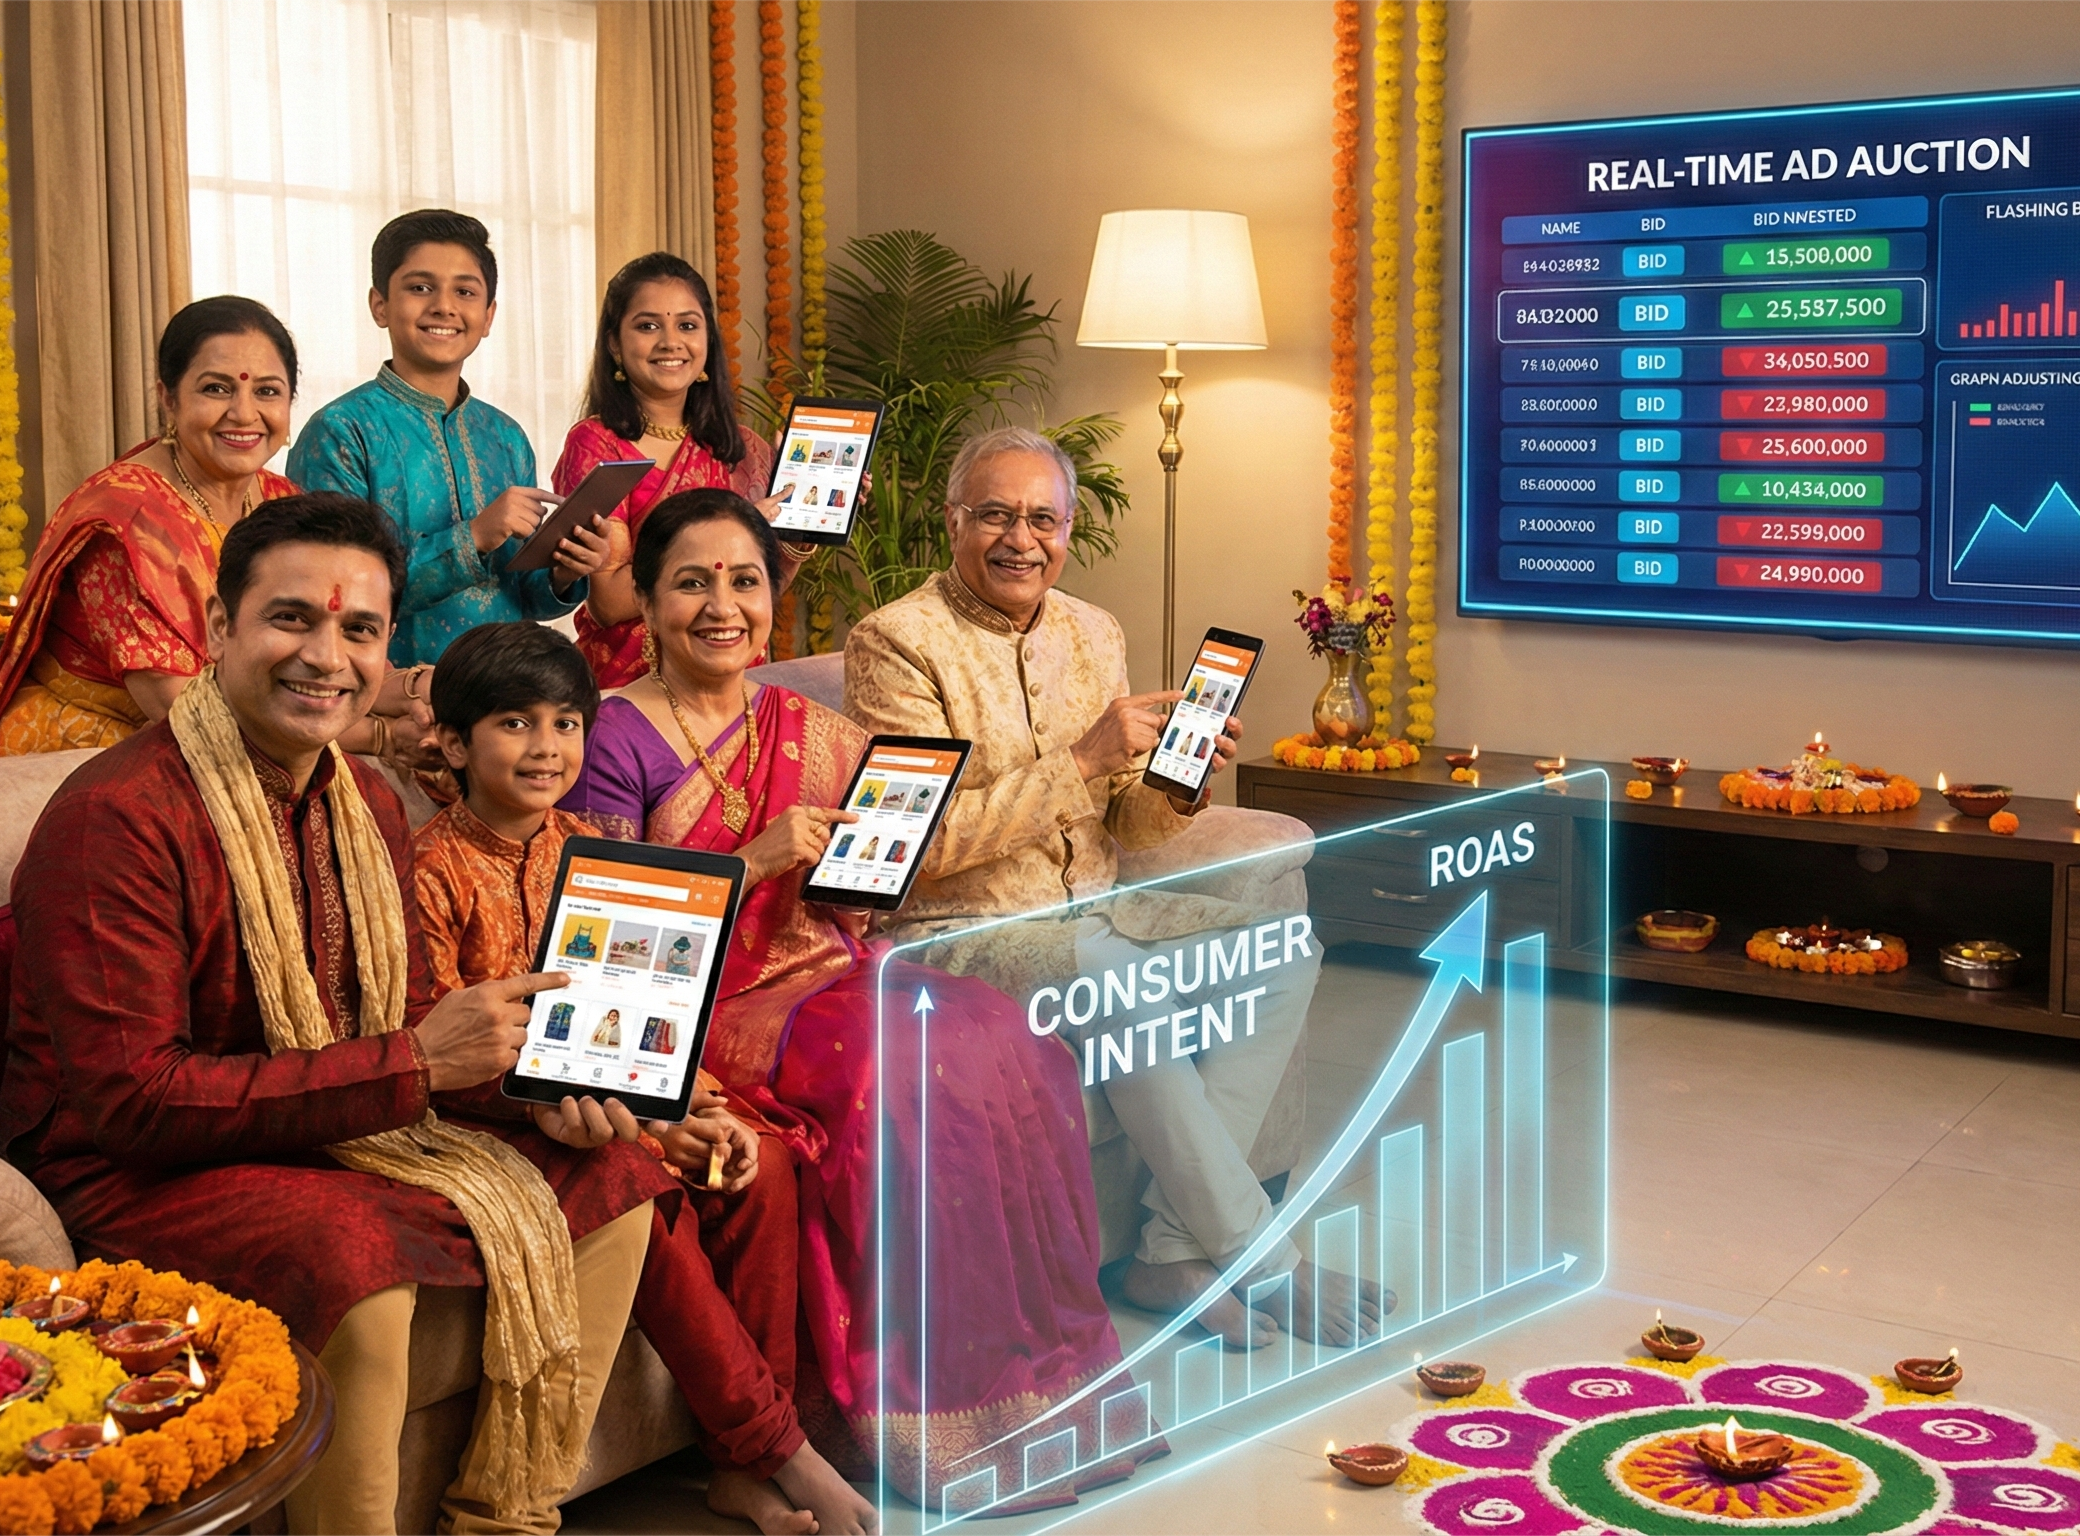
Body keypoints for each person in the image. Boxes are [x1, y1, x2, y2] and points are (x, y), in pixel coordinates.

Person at [0, 493, 673, 1536]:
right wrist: (412, 1069)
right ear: (221, 630)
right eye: (291, 619)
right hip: (133, 1166)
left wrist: (531, 1095)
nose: (327, 655)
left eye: (359, 629)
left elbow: (399, 1018)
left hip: (332, 1119)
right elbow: (135, 1101)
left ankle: (504, 1516)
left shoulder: (360, 797)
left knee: (618, 1171)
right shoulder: (117, 818)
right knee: (348, 1249)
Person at [563, 490, 1152, 1512]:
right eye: (690, 583)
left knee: (997, 1033)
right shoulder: (613, 736)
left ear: (772, 601)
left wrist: (854, 872)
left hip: (825, 964)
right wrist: (749, 865)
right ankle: (903, 1410)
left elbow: (863, 899)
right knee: (900, 1065)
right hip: (707, 1003)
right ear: (647, 606)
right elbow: (609, 948)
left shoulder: (809, 726)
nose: (722, 606)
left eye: (744, 581)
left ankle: (1027, 1389)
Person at [842, 426, 1386, 1352]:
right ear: (951, 523)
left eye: (1043, 519)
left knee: (1281, 950)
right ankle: (1263, 1259)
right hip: (957, 928)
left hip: (1095, 909)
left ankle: (1171, 1250)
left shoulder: (1094, 630)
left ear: (1067, 528)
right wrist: (1085, 755)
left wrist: (1175, 787)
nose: (1022, 540)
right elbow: (913, 849)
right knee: (1117, 978)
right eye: (995, 516)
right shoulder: (895, 643)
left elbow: (1122, 823)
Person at [410, 621, 872, 1536]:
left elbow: (649, 1003)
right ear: (455, 744)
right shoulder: (430, 867)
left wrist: (692, 1106)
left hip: (616, 1098)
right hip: (493, 1122)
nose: (546, 749)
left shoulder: (593, 846)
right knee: (638, 1198)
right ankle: (777, 1451)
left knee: (760, 1164)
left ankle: (735, 1470)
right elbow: (434, 1051)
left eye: (565, 724)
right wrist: (609, 1125)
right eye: (514, 724)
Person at [0, 298, 402, 760]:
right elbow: (182, 709)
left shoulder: (280, 499)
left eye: (267, 392)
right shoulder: (125, 522)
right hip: (99, 757)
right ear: (168, 398)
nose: (243, 414)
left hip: (251, 733)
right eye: (217, 390)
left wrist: (420, 695)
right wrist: (383, 739)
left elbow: (329, 652)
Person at [291, 209, 601, 668]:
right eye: (420, 288)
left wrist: (563, 570)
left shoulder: (506, 437)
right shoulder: (341, 431)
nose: (444, 306)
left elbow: (526, 598)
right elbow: (336, 592)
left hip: (502, 693)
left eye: (465, 292)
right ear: (380, 305)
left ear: (489, 315)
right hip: (388, 703)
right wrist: (473, 537)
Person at [551, 253, 782, 688]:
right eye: (648, 325)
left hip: (731, 674)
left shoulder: (742, 449)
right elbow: (612, 601)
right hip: (636, 685)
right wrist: (738, 526)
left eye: (688, 326)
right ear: (615, 344)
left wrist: (800, 535)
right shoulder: (598, 445)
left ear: (708, 341)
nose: (671, 342)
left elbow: (760, 593)